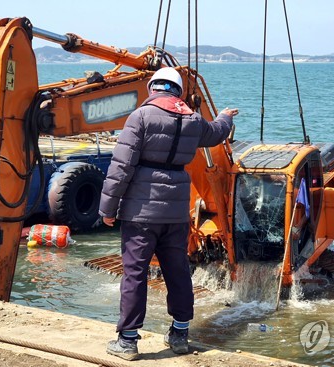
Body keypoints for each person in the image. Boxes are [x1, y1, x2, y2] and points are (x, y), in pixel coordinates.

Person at [99, 67, 238, 361]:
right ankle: (180, 334)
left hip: (140, 213)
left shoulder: (140, 117)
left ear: (153, 89)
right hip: (176, 213)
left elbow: (121, 168)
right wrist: (225, 116)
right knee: (178, 272)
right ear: (178, 92)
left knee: (135, 273)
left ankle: (127, 341)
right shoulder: (193, 119)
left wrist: (107, 209)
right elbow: (216, 134)